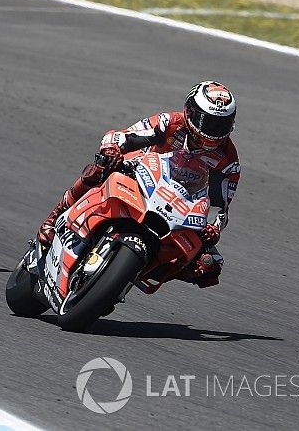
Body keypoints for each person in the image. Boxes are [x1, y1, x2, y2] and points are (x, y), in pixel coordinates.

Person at [36, 81, 240, 288]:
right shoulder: (169, 122)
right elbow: (124, 136)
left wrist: (214, 228)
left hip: (180, 203)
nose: (213, 131)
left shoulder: (228, 160)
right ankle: (53, 219)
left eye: (220, 125)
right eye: (207, 122)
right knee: (99, 169)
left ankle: (134, 272)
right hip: (139, 173)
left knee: (209, 266)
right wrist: (112, 149)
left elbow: (219, 206)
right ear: (190, 111)